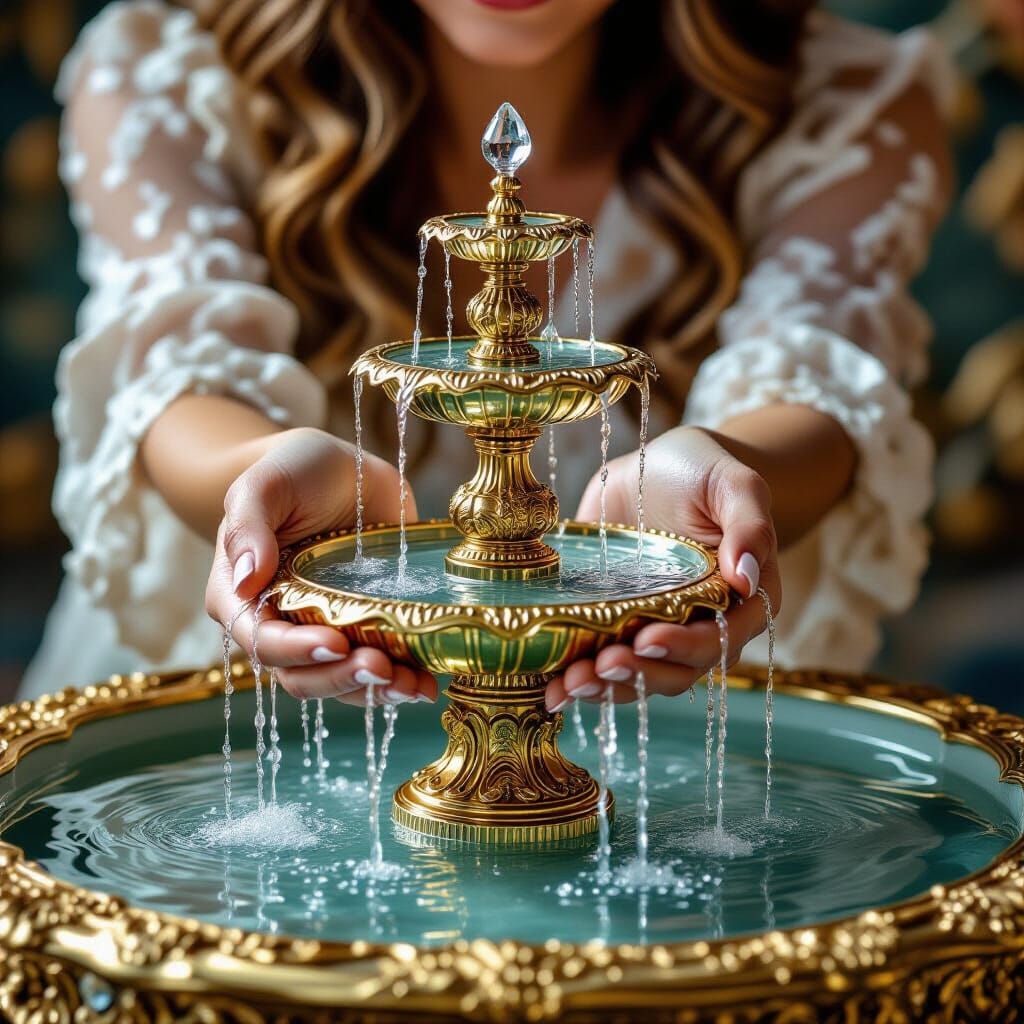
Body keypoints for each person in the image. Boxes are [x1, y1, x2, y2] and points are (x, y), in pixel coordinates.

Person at [22, 0, 953, 715]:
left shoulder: (841, 104)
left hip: (682, 759)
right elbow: (179, 376)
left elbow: (820, 379)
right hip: (228, 712)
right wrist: (259, 478)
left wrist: (716, 480)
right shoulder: (171, 73)